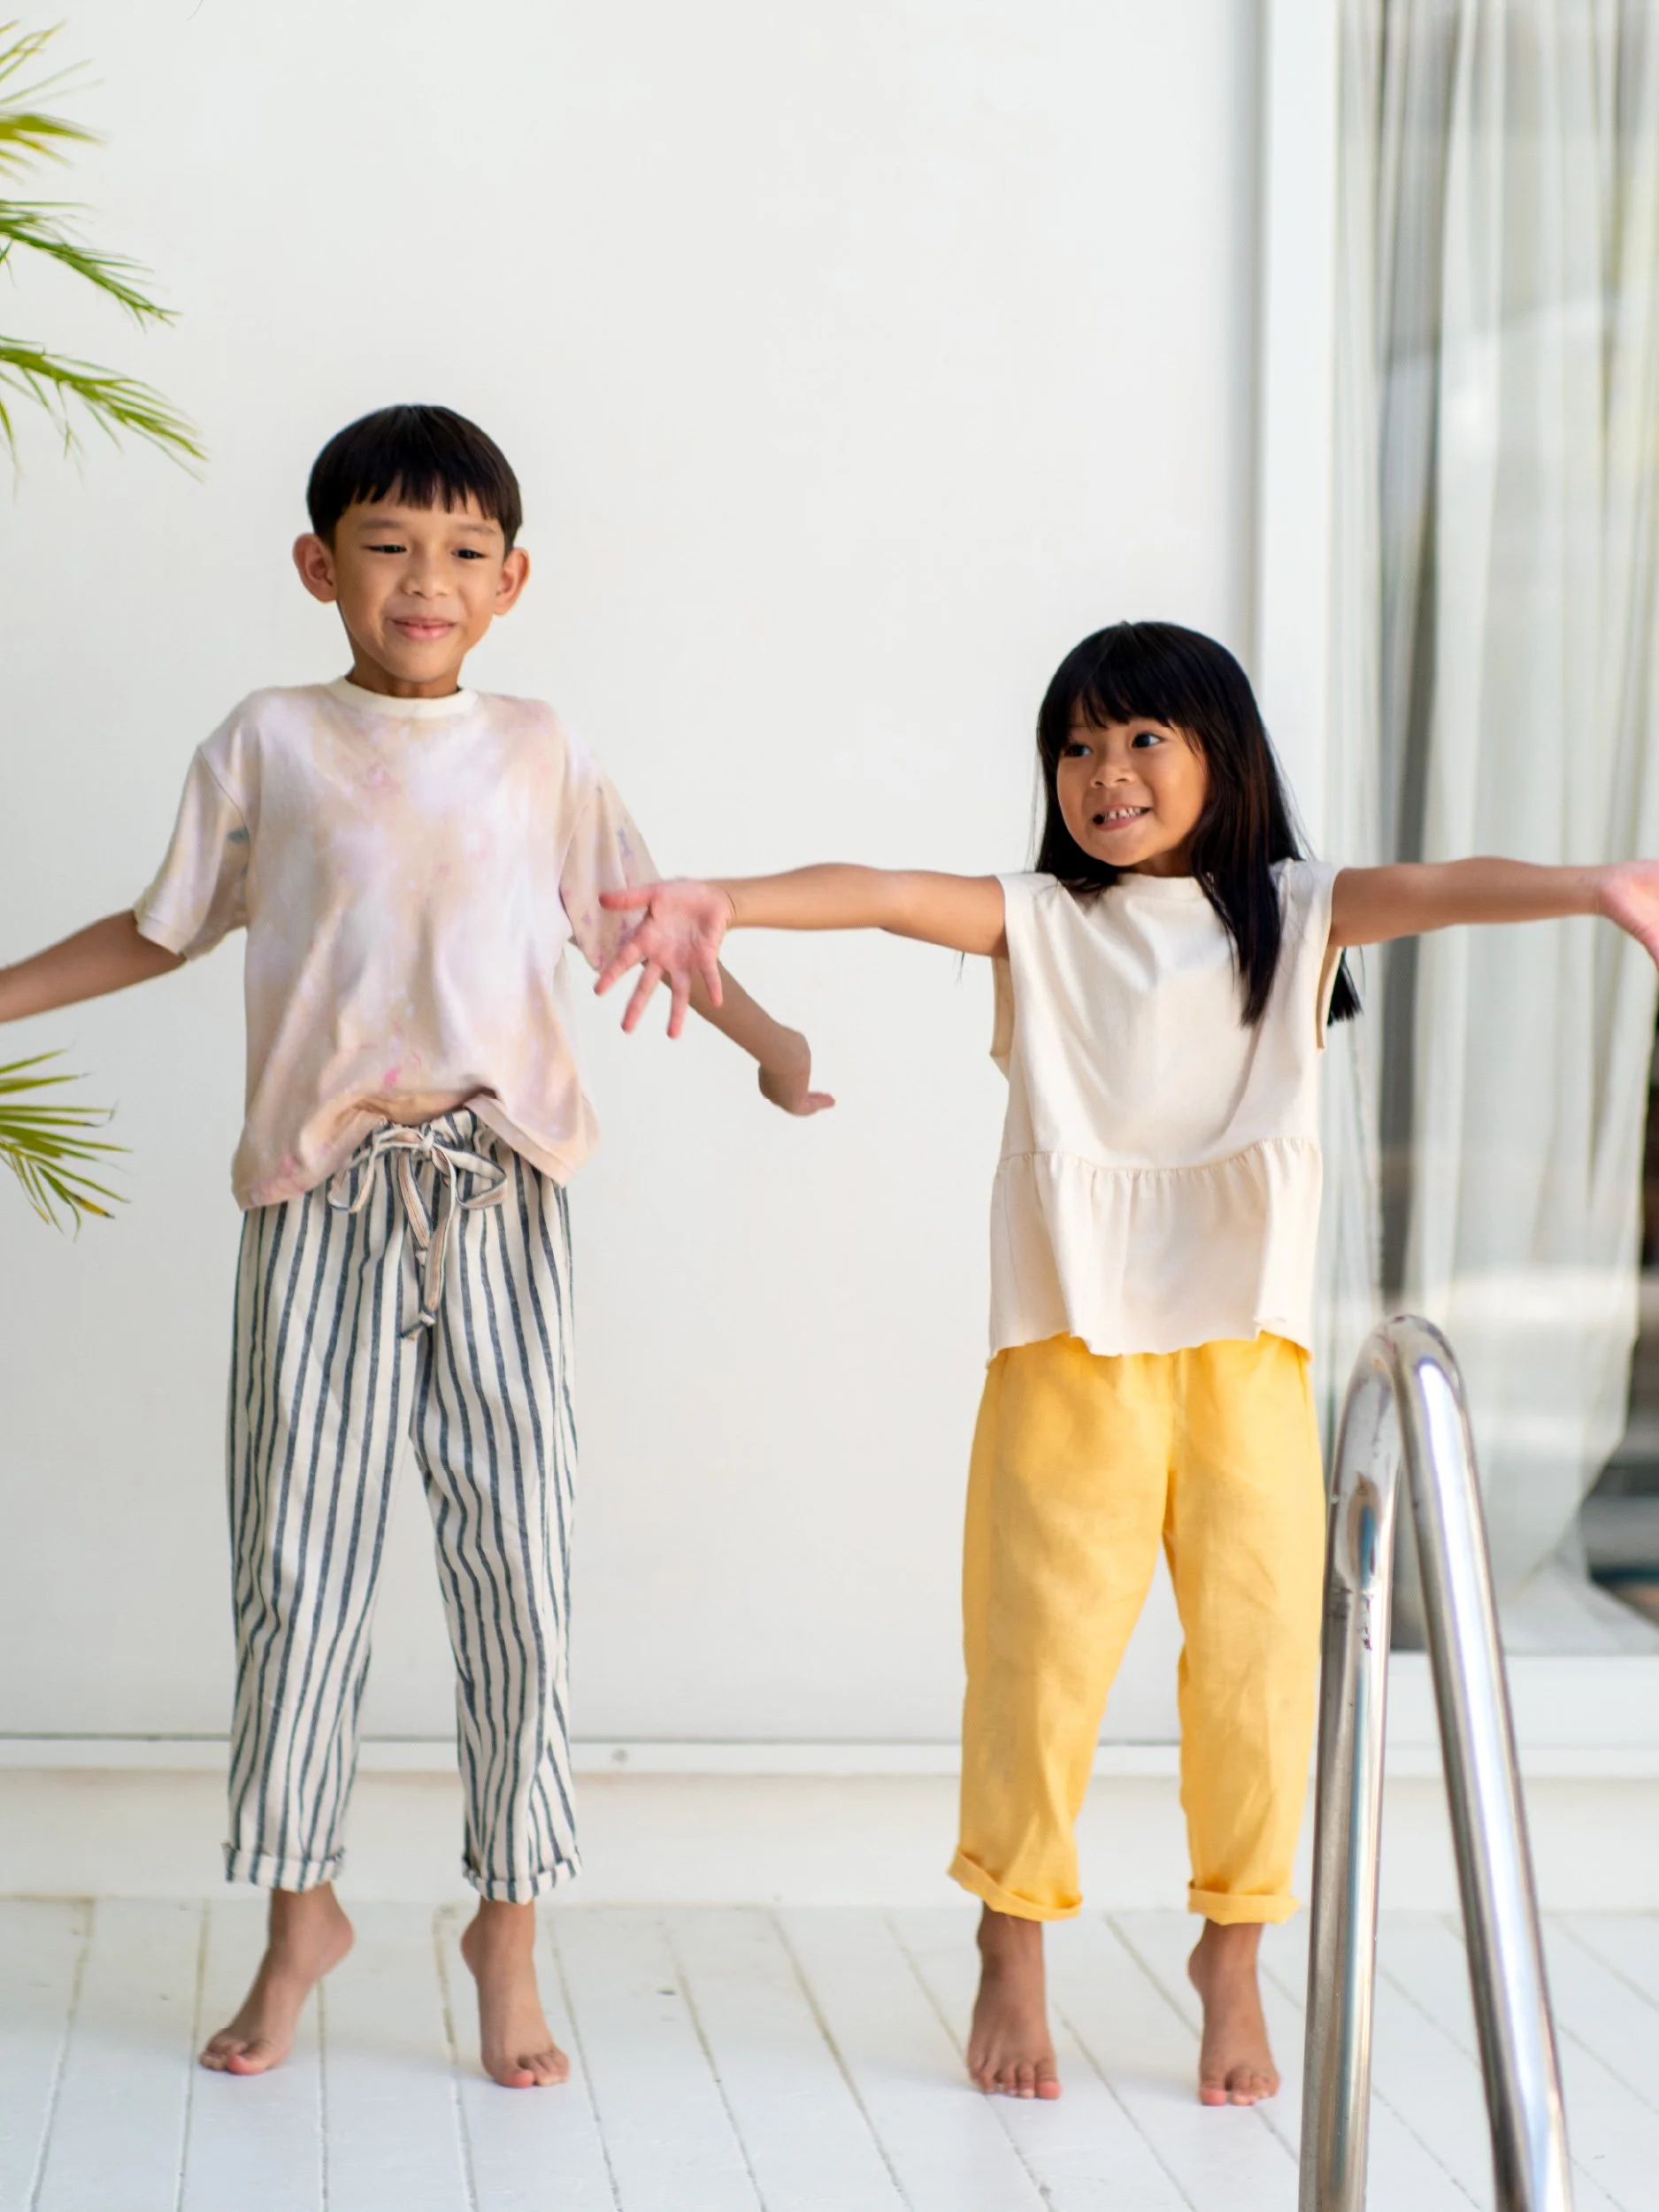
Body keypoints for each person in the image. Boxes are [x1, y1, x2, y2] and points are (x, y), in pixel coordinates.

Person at [594, 617, 1659, 2107]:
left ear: (1221, 759)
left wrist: (1591, 889)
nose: (1104, 773)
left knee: (1252, 1666)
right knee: (1037, 1664)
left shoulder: (1293, 912)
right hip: (1066, 1349)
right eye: (1077, 746)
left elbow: (1437, 887)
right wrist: (730, 901)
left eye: (1141, 740)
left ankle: (1233, 1947)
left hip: (1242, 1361)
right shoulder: (1038, 918)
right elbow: (884, 893)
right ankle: (1010, 1938)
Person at [0, 403, 831, 2090]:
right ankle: (299, 1913)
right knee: (299, 1570)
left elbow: (649, 925)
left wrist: (770, 1042)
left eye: (462, 553)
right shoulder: (269, 739)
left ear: (513, 580)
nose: (423, 579)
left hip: (503, 1194)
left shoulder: (542, 749)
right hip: (317, 1200)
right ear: (321, 566)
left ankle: (506, 1929)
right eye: (387, 547)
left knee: (516, 1565)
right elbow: (159, 931)